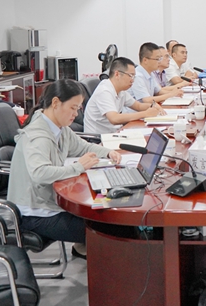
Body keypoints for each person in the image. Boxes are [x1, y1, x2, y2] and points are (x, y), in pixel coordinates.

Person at [8, 79, 122, 259]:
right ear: (55, 103)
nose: (76, 114)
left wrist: (108, 152)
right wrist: (79, 167)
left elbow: (82, 147)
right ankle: (94, 255)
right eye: (73, 108)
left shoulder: (59, 128)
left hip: (51, 202)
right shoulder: (38, 136)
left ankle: (84, 248)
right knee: (106, 228)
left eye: (78, 109)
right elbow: (39, 173)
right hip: (36, 213)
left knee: (104, 216)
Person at [84, 57, 162, 134]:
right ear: (117, 74)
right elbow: (114, 118)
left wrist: (153, 106)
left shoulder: (121, 91)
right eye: (130, 75)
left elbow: (138, 106)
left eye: (134, 76)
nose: (132, 80)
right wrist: (145, 114)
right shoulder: (104, 91)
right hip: (99, 138)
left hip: (115, 132)